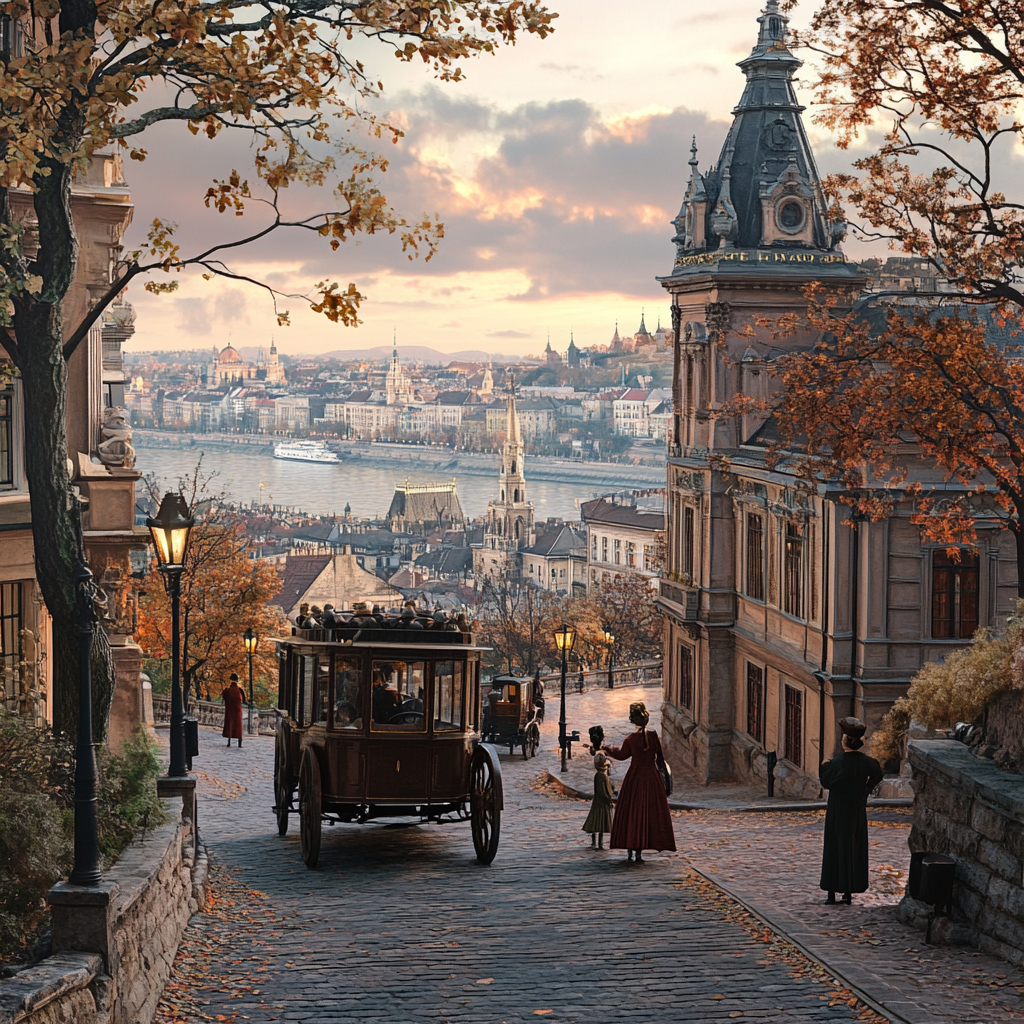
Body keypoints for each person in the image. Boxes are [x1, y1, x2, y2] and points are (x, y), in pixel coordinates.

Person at [819, 717, 884, 905]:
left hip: (838, 808)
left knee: (834, 846)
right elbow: (877, 775)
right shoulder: (867, 762)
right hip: (856, 807)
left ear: (845, 740)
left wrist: (825, 767)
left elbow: (825, 781)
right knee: (853, 846)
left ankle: (831, 891)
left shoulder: (836, 763)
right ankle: (848, 891)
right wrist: (865, 790)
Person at [603, 702, 676, 864]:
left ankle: (631, 849)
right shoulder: (653, 736)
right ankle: (640, 852)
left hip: (635, 778)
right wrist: (666, 782)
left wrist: (607, 748)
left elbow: (621, 755)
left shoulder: (631, 739)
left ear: (632, 720)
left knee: (632, 812)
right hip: (652, 777)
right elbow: (661, 761)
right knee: (649, 812)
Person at [582, 728, 614, 849]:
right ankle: (598, 843)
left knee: (596, 821)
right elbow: (604, 790)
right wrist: (609, 798)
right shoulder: (602, 774)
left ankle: (595, 842)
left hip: (597, 800)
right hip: (602, 801)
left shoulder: (598, 772)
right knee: (600, 823)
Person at [221, 673, 245, 747]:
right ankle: (239, 742)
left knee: (229, 724)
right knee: (238, 724)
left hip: (229, 710)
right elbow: (244, 700)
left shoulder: (227, 690)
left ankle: (229, 741)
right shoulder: (240, 690)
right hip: (237, 710)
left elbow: (223, 697)